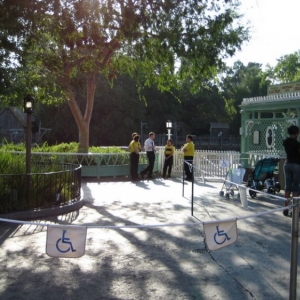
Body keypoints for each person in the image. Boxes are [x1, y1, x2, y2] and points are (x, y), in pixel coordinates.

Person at [282, 125, 300, 216]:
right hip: (296, 165)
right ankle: (294, 209)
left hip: (287, 164)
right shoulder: (297, 143)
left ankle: (286, 208)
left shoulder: (286, 142)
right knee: (295, 187)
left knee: (287, 187)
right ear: (296, 133)